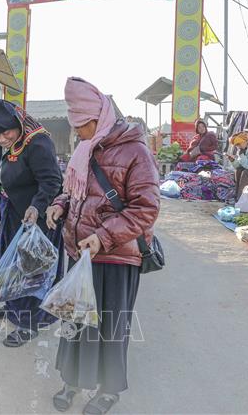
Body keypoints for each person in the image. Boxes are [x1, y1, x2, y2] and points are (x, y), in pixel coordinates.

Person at [46, 77, 160, 415]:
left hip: (116, 257)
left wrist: (104, 236)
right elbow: (74, 190)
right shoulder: (85, 148)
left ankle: (109, 391)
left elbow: (147, 208)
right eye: (75, 125)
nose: (78, 132)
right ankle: (72, 381)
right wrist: (59, 205)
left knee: (110, 327)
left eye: (83, 125)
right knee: (75, 322)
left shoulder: (134, 151)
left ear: (101, 117)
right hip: (81, 254)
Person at [0, 98, 64, 347]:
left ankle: (30, 321)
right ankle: (14, 306)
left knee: (33, 268)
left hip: (42, 215)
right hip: (14, 211)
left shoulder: (37, 142)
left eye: (6, 132)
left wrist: (37, 207)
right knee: (6, 258)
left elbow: (51, 181)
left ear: (17, 123)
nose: (2, 139)